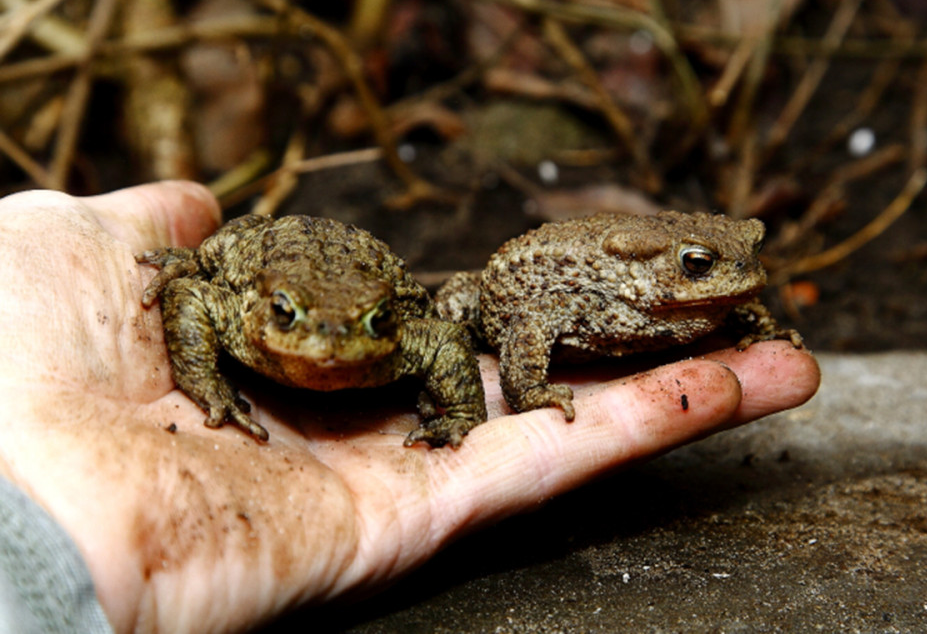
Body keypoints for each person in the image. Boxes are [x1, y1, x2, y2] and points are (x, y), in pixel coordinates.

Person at [0, 182, 820, 633]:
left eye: (371, 332)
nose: (326, 349)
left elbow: (434, 344)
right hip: (293, 271)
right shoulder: (236, 305)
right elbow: (203, 298)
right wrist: (207, 390)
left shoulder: (409, 335)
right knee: (225, 254)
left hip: (374, 292)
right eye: (701, 266)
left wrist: (456, 414)